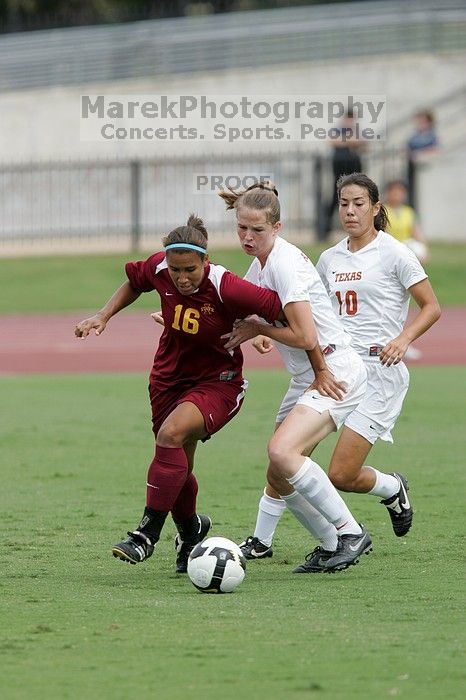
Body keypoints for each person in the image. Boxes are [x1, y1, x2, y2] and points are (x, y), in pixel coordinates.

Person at [237, 173, 441, 571]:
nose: (350, 210)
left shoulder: (394, 253)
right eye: (344, 203)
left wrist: (402, 340)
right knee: (282, 462)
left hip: (377, 370)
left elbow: (431, 307)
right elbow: (309, 311)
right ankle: (264, 540)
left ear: (376, 208)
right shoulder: (329, 258)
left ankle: (389, 490)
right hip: (330, 365)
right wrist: (265, 332)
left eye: (359, 203)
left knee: (342, 473)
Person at [74, 214, 284, 574]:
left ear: (206, 260)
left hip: (219, 381)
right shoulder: (159, 267)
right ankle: (191, 531)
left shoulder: (227, 286)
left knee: (169, 435)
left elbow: (282, 306)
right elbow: (134, 282)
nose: (183, 278)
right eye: (175, 271)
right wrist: (104, 315)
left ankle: (146, 534)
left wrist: (259, 330)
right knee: (177, 465)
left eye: (191, 269)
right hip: (167, 380)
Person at [220, 182, 372, 574]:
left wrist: (262, 331)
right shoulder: (260, 264)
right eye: (241, 229)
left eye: (257, 230)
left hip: (334, 370)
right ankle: (330, 543)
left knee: (282, 453)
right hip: (307, 374)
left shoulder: (284, 264)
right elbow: (239, 311)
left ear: (278, 227)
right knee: (280, 471)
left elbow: (306, 336)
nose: (248, 237)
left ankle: (350, 532)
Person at [322, 110, 364, 239]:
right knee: (336, 197)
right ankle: (325, 229)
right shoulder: (338, 130)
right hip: (339, 169)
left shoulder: (356, 130)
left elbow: (362, 142)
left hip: (354, 168)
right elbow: (333, 141)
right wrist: (350, 142)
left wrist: (347, 142)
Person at [406, 109, 439, 209]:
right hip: (412, 168)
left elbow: (436, 149)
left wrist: (420, 154)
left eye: (423, 120)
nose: (420, 123)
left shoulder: (431, 136)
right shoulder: (414, 136)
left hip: (426, 170)